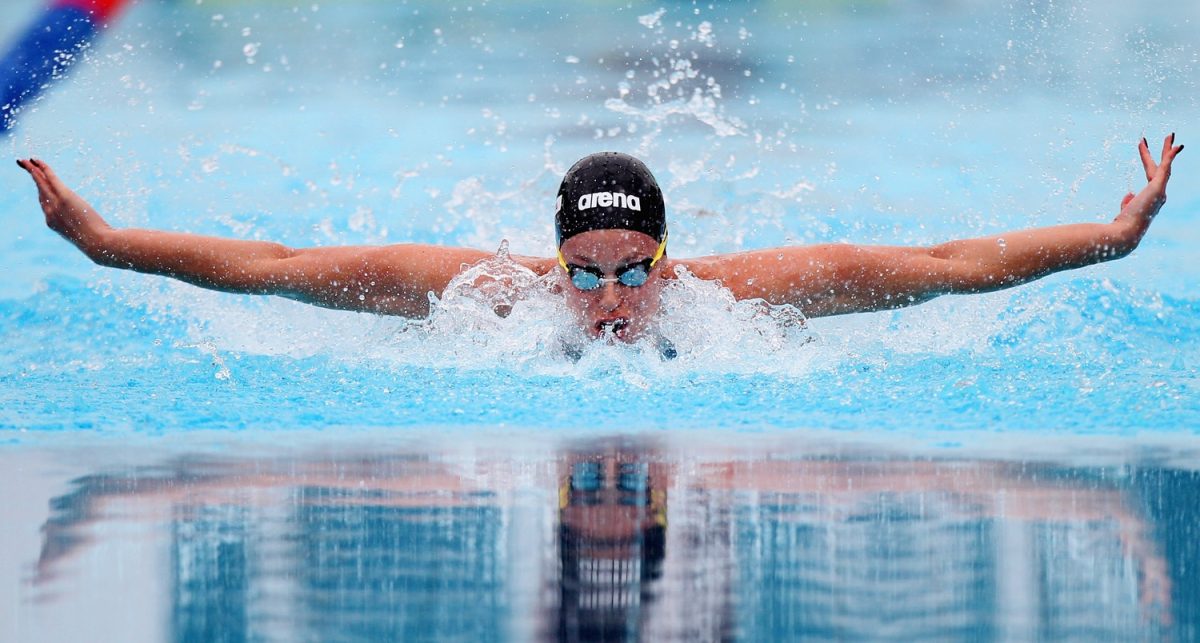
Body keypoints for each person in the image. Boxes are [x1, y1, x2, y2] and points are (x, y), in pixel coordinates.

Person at [16, 135, 1183, 346]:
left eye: (634, 273)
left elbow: (941, 269)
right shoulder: (492, 300)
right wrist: (106, 241)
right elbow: (273, 275)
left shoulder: (731, 302)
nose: (613, 301)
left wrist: (1109, 240)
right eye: (587, 273)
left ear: (669, 259)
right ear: (552, 259)